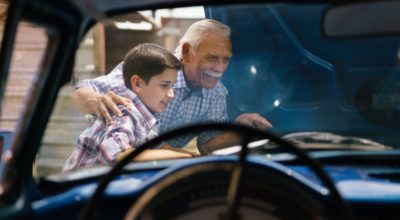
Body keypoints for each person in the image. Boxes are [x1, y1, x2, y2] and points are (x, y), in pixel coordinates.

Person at [72, 19, 272, 155]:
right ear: (186, 52)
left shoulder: (217, 93)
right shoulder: (150, 67)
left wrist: (238, 129)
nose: (220, 69)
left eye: (225, 60)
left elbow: (208, 146)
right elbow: (79, 94)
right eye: (212, 58)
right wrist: (98, 101)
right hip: (101, 172)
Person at [63, 43, 192, 171]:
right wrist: (176, 156)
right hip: (80, 187)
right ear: (137, 83)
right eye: (164, 85)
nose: (171, 94)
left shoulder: (147, 118)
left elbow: (154, 149)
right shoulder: (126, 113)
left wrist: (188, 156)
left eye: (173, 86)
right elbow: (114, 155)